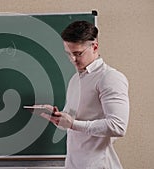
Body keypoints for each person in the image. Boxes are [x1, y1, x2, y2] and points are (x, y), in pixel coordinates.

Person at [35, 21, 129, 169]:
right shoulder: (75, 79)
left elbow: (117, 126)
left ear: (95, 47)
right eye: (68, 54)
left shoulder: (110, 78)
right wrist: (58, 117)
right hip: (73, 164)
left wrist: (73, 124)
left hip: (99, 165)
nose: (72, 59)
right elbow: (71, 122)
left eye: (78, 53)